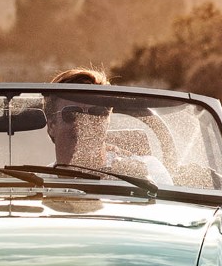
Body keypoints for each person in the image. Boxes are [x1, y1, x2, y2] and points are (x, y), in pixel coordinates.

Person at [44, 68, 173, 186]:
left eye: (98, 112)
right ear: (51, 126)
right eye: (72, 114)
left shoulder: (148, 168)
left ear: (107, 121)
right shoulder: (38, 182)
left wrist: (139, 184)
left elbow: (169, 209)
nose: (86, 122)